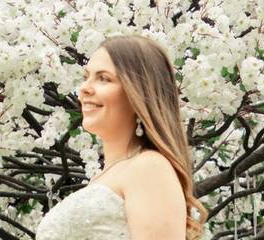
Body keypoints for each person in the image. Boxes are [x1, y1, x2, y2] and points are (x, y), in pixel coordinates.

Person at [36, 35, 207, 240]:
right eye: (86, 76)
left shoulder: (149, 167)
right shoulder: (106, 175)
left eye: (104, 78)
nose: (84, 88)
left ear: (138, 92)